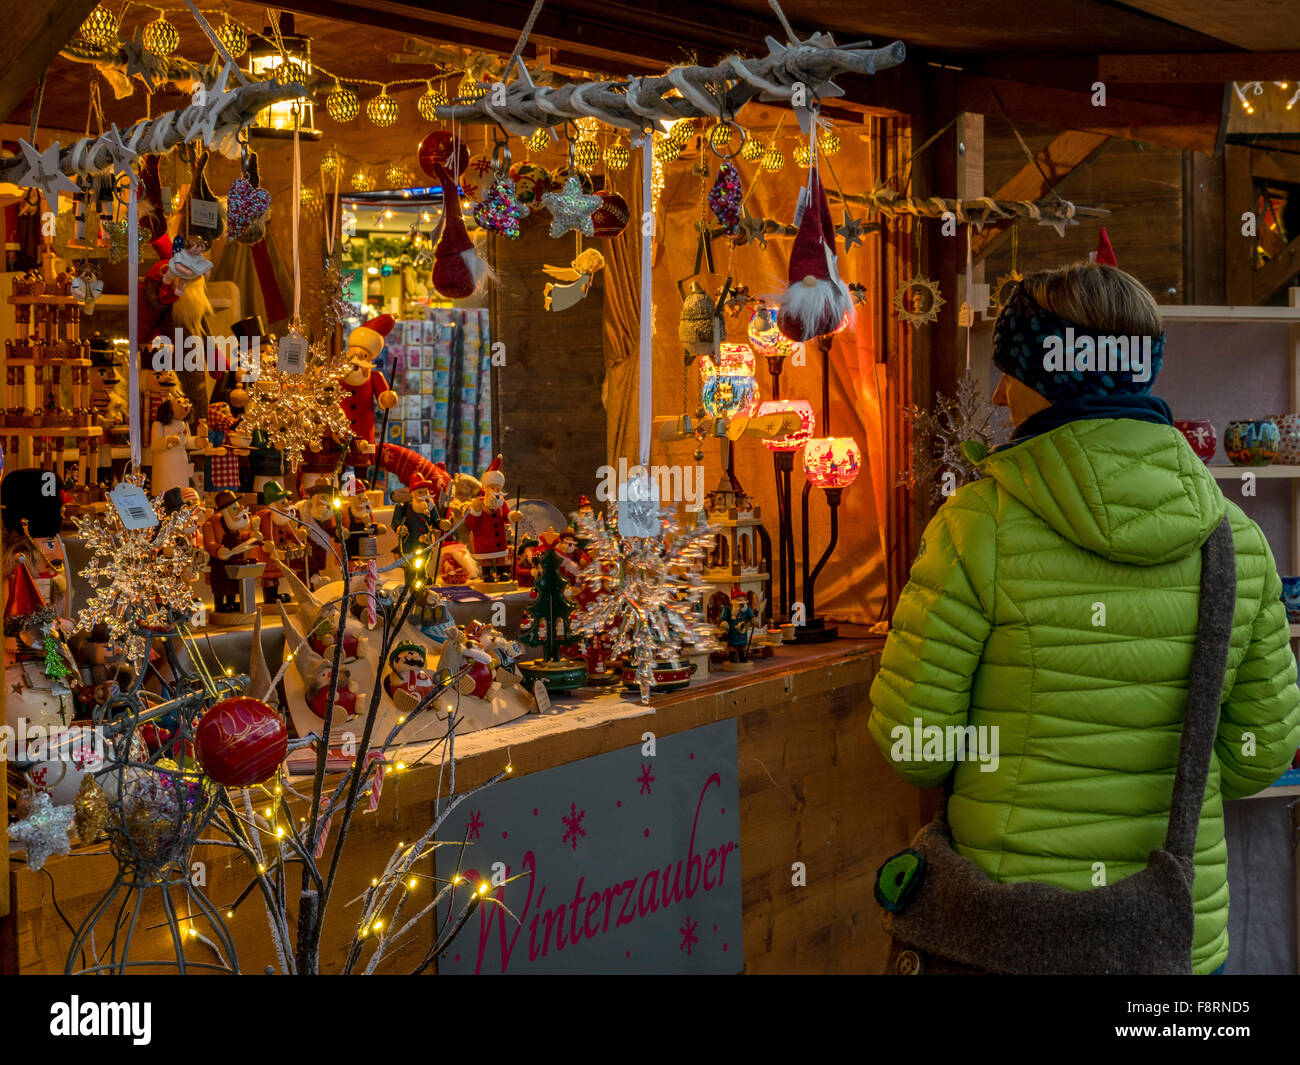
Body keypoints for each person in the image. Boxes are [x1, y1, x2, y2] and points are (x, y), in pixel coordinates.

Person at [869, 259, 1300, 975]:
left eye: (1008, 371)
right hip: (1174, 942)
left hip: (1009, 935)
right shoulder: (1235, 541)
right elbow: (1258, 758)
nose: (1000, 395)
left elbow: (916, 750)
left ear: (1044, 377)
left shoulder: (975, 528)